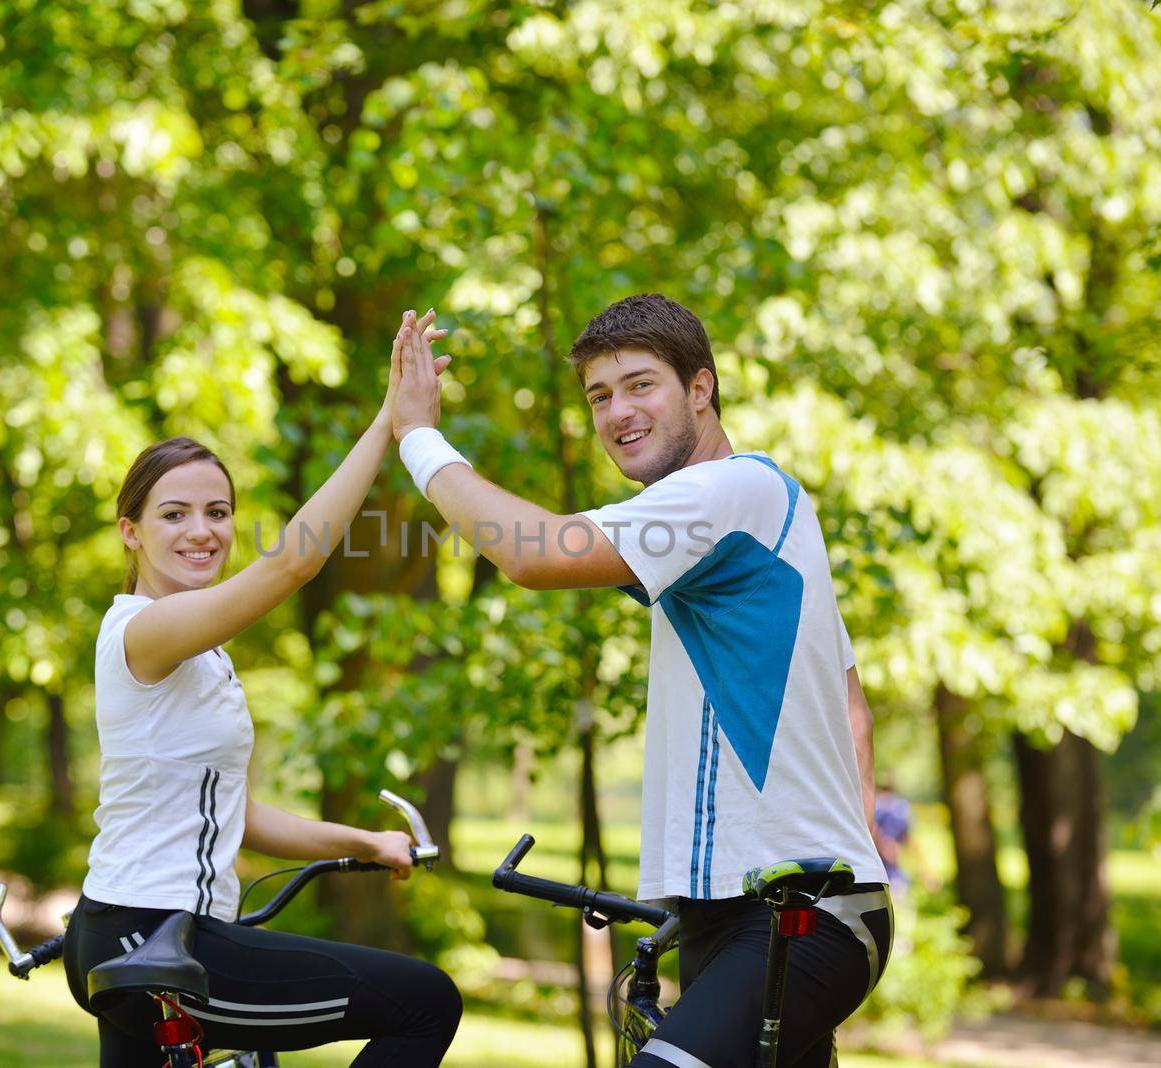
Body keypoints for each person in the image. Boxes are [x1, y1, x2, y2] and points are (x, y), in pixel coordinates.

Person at [391, 294, 891, 1068]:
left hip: (798, 916)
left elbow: (534, 552)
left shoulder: (729, 492)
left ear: (701, 388)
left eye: (640, 385)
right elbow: (850, 704)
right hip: (735, 913)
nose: (617, 412)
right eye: (599, 395)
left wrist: (418, 437)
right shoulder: (755, 523)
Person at [62, 311, 462, 1068]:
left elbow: (235, 814)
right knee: (424, 1001)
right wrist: (388, 425)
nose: (201, 531)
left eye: (217, 513)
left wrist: (366, 844)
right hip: (156, 934)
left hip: (126, 931)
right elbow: (290, 567)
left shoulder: (201, 653)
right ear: (130, 532)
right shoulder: (142, 633)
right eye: (172, 514)